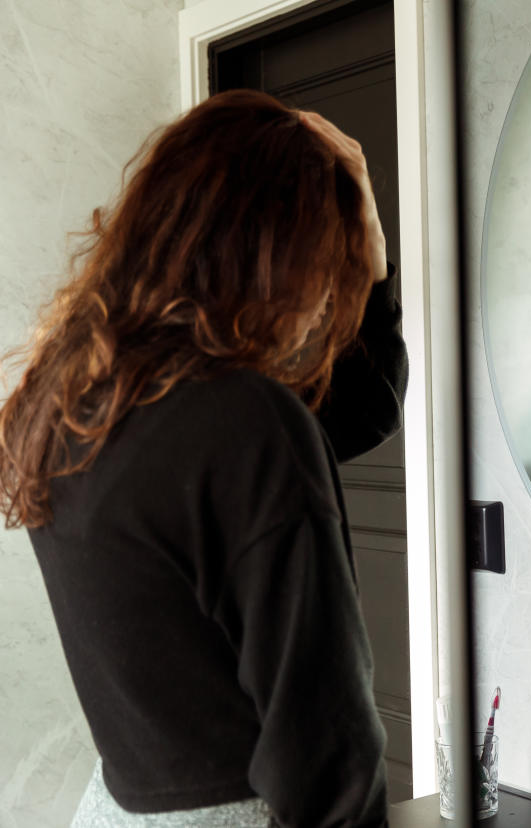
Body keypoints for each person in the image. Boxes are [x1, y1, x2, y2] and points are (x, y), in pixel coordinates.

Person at [0, 90, 408, 825]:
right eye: (323, 262)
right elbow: (328, 748)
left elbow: (356, 416)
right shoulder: (245, 422)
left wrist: (375, 275)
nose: (325, 303)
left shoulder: (74, 396)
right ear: (265, 253)